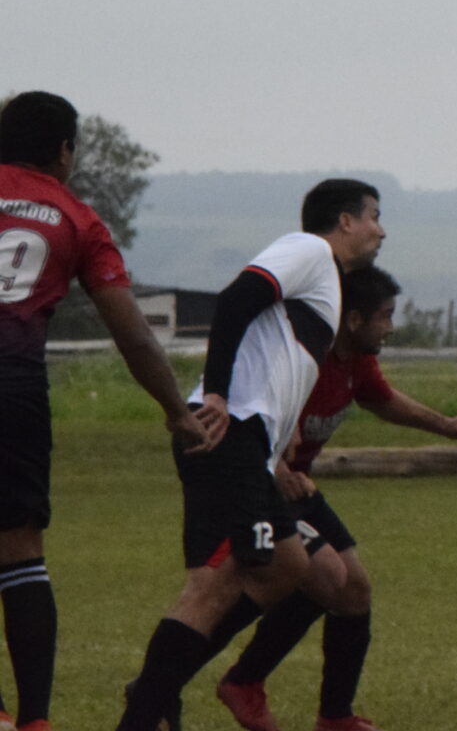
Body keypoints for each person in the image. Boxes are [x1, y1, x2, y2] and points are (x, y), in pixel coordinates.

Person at [117, 179, 386, 731]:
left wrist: (281, 436)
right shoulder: (309, 249)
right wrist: (217, 392)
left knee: (287, 566)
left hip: (246, 443)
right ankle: (148, 702)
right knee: (219, 588)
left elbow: (274, 360)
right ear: (344, 221)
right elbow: (238, 298)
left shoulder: (326, 280)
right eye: (374, 217)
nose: (381, 231)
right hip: (230, 433)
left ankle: (157, 688)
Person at [0, 92, 214, 731]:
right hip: (13, 383)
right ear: (64, 151)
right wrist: (177, 410)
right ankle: (34, 720)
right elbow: (133, 333)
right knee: (20, 549)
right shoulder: (78, 219)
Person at [215, 265, 457, 731]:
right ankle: (204, 675)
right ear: (354, 319)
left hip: (296, 488)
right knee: (320, 577)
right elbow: (248, 407)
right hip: (256, 483)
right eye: (386, 315)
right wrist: (276, 468)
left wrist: (445, 425)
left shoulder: (355, 359)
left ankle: (334, 717)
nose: (391, 326)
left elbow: (381, 399)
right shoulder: (304, 358)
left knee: (352, 590)